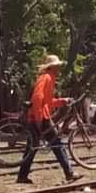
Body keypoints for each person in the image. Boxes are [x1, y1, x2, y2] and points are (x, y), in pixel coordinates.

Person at [17, 55, 79, 184]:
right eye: (57, 66)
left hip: (38, 116)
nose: (59, 69)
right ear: (52, 67)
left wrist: (63, 101)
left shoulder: (48, 78)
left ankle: (22, 176)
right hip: (40, 117)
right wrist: (39, 118)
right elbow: (38, 97)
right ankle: (69, 173)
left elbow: (48, 102)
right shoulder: (46, 78)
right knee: (56, 144)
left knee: (32, 147)